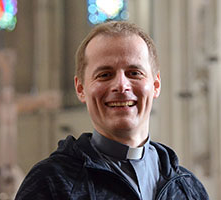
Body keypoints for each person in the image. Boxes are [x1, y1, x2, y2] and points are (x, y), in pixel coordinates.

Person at [14, 21, 209, 200]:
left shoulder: (188, 188)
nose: (121, 86)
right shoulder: (51, 183)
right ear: (81, 88)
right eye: (105, 75)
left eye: (134, 73)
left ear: (156, 84)